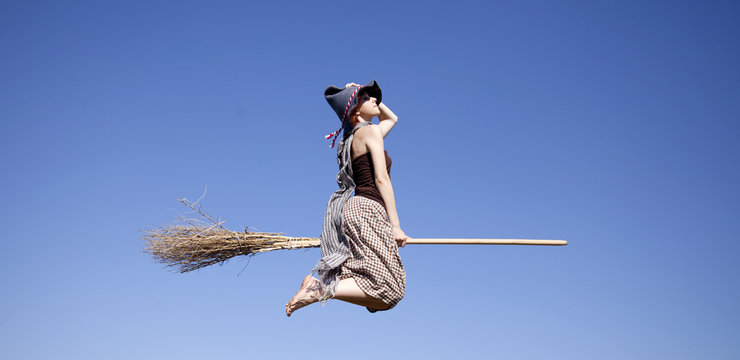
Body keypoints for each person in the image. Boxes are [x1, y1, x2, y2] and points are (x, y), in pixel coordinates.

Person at [286, 80, 411, 316]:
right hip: (368, 209)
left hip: (353, 211)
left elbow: (391, 119)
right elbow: (382, 179)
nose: (375, 100)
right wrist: (396, 226)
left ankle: (320, 288)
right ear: (354, 109)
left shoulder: (352, 139)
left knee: (379, 289)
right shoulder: (370, 132)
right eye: (367, 97)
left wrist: (360, 94)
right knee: (389, 289)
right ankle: (318, 289)